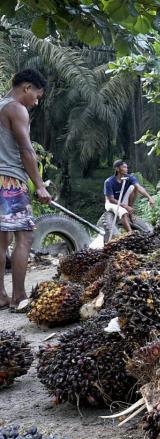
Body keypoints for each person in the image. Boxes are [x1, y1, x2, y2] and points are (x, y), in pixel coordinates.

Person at [0, 69, 51, 311]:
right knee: (25, 236)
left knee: (1, 241)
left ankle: (1, 296)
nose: (36, 102)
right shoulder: (16, 109)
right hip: (9, 180)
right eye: (37, 96)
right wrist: (39, 185)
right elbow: (26, 150)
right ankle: (19, 297)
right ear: (27, 88)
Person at [103, 159, 155, 233]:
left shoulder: (129, 177)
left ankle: (130, 212)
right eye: (124, 167)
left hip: (122, 201)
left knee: (133, 187)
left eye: (126, 167)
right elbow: (111, 199)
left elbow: (139, 187)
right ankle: (130, 233)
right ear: (117, 169)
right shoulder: (109, 182)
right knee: (123, 212)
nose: (126, 169)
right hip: (111, 203)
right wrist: (126, 207)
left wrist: (150, 198)